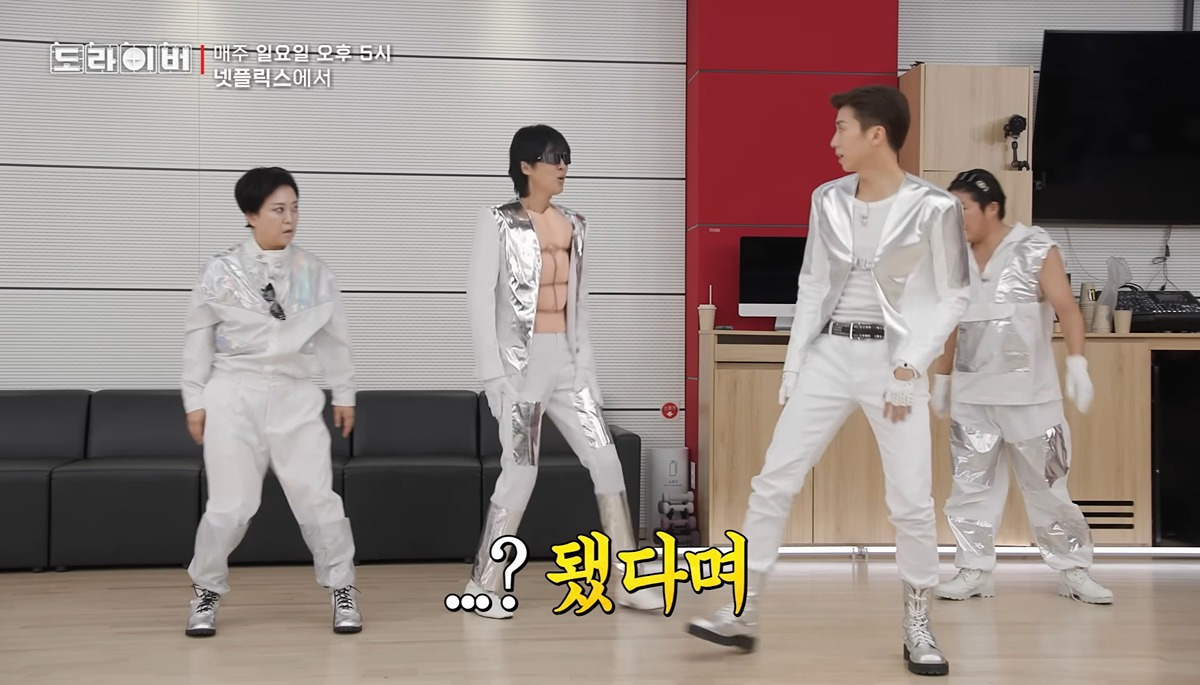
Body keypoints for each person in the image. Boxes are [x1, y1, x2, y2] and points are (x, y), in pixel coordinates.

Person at [686, 85, 970, 677]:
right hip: (830, 354)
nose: (833, 139)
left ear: (876, 134)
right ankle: (742, 610)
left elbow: (954, 297)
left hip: (895, 364)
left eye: (842, 127)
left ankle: (918, 625)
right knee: (773, 481)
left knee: (911, 501)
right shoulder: (828, 198)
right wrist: (794, 366)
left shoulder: (934, 207)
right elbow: (813, 283)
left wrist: (912, 364)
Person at [464, 124, 663, 618]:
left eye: (567, 158)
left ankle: (626, 581)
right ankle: (483, 585)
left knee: (607, 462)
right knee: (520, 471)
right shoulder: (497, 222)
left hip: (568, 364)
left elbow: (581, 304)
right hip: (520, 368)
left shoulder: (576, 223)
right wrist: (493, 377)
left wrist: (588, 371)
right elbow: (477, 298)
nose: (563, 167)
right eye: (554, 158)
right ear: (525, 166)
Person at [180, 166, 363, 636]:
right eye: (278, 210)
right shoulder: (219, 271)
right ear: (250, 215)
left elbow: (334, 339)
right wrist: (194, 399)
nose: (290, 219)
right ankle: (206, 592)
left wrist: (343, 392)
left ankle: (342, 587)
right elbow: (198, 338)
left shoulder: (315, 272)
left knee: (317, 497)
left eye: (295, 208)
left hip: (295, 394)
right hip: (232, 394)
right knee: (230, 505)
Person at [930, 168, 1113, 605]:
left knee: (1048, 488)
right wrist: (942, 377)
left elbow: (1068, 309)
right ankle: (974, 569)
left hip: (1031, 398)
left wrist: (1077, 363)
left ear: (991, 208)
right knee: (970, 488)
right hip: (973, 398)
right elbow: (951, 322)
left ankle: (1073, 569)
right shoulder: (952, 257)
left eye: (962, 209)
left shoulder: (1036, 248)